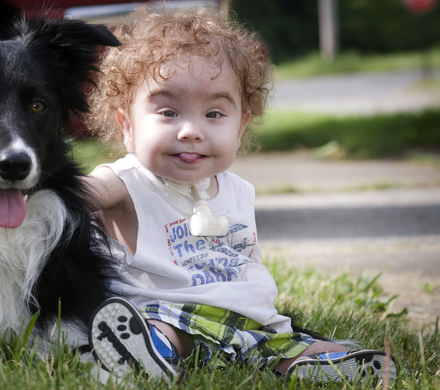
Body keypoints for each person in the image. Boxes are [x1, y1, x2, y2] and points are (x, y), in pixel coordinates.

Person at [84, 6, 398, 385]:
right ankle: (146, 356)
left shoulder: (237, 190)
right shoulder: (125, 181)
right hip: (166, 311)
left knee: (285, 344)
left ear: (241, 124)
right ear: (127, 126)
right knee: (164, 330)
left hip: (242, 317)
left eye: (214, 114)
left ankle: (322, 362)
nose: (191, 131)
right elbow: (72, 196)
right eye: (168, 111)